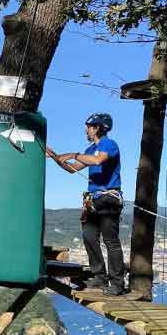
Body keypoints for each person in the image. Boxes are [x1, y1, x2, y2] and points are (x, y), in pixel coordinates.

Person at [47, 113, 126, 296]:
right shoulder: (90, 150)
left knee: (110, 241)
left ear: (97, 128)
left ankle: (117, 283)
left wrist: (73, 154)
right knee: (89, 236)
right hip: (94, 199)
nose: (86, 131)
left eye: (89, 127)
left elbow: (98, 160)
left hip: (109, 198)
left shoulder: (108, 144)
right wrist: (55, 157)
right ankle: (99, 276)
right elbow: (72, 169)